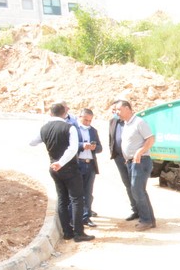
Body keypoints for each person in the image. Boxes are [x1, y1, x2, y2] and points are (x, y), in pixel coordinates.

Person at [30, 103, 95, 242]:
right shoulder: (69, 127)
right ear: (65, 114)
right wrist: (61, 162)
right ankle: (79, 233)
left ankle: (67, 232)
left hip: (53, 167)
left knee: (62, 199)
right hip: (68, 167)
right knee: (77, 199)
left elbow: (32, 142)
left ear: (50, 113)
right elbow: (72, 149)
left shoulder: (45, 128)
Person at [116, 99, 157, 230]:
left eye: (119, 109)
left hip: (141, 161)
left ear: (127, 109)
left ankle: (146, 220)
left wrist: (140, 151)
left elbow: (150, 139)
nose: (117, 112)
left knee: (137, 190)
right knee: (139, 191)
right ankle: (149, 220)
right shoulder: (127, 124)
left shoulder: (139, 122)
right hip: (131, 162)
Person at [108, 102, 139, 221]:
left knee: (136, 185)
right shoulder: (113, 121)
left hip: (132, 158)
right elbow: (111, 138)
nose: (115, 112)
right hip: (119, 158)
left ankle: (143, 211)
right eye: (114, 110)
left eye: (117, 110)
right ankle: (135, 210)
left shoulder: (133, 122)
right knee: (127, 184)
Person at [75, 109, 102, 227]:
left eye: (90, 120)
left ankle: (86, 217)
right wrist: (82, 145)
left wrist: (94, 147)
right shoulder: (73, 129)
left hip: (90, 164)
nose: (87, 122)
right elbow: (69, 146)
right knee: (76, 192)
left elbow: (100, 148)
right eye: (85, 120)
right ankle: (76, 218)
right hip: (77, 164)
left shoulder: (93, 131)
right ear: (79, 117)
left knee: (88, 192)